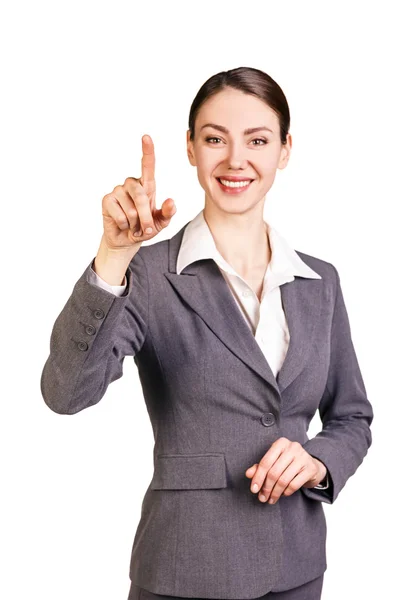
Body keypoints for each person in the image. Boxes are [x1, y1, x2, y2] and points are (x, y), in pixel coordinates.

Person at [40, 67, 374, 600]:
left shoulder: (319, 282)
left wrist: (317, 461)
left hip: (297, 568)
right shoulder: (148, 274)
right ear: (191, 149)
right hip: (183, 570)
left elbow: (352, 417)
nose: (236, 160)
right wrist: (112, 259)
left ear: (285, 150)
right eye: (215, 138)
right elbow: (65, 392)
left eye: (258, 140)